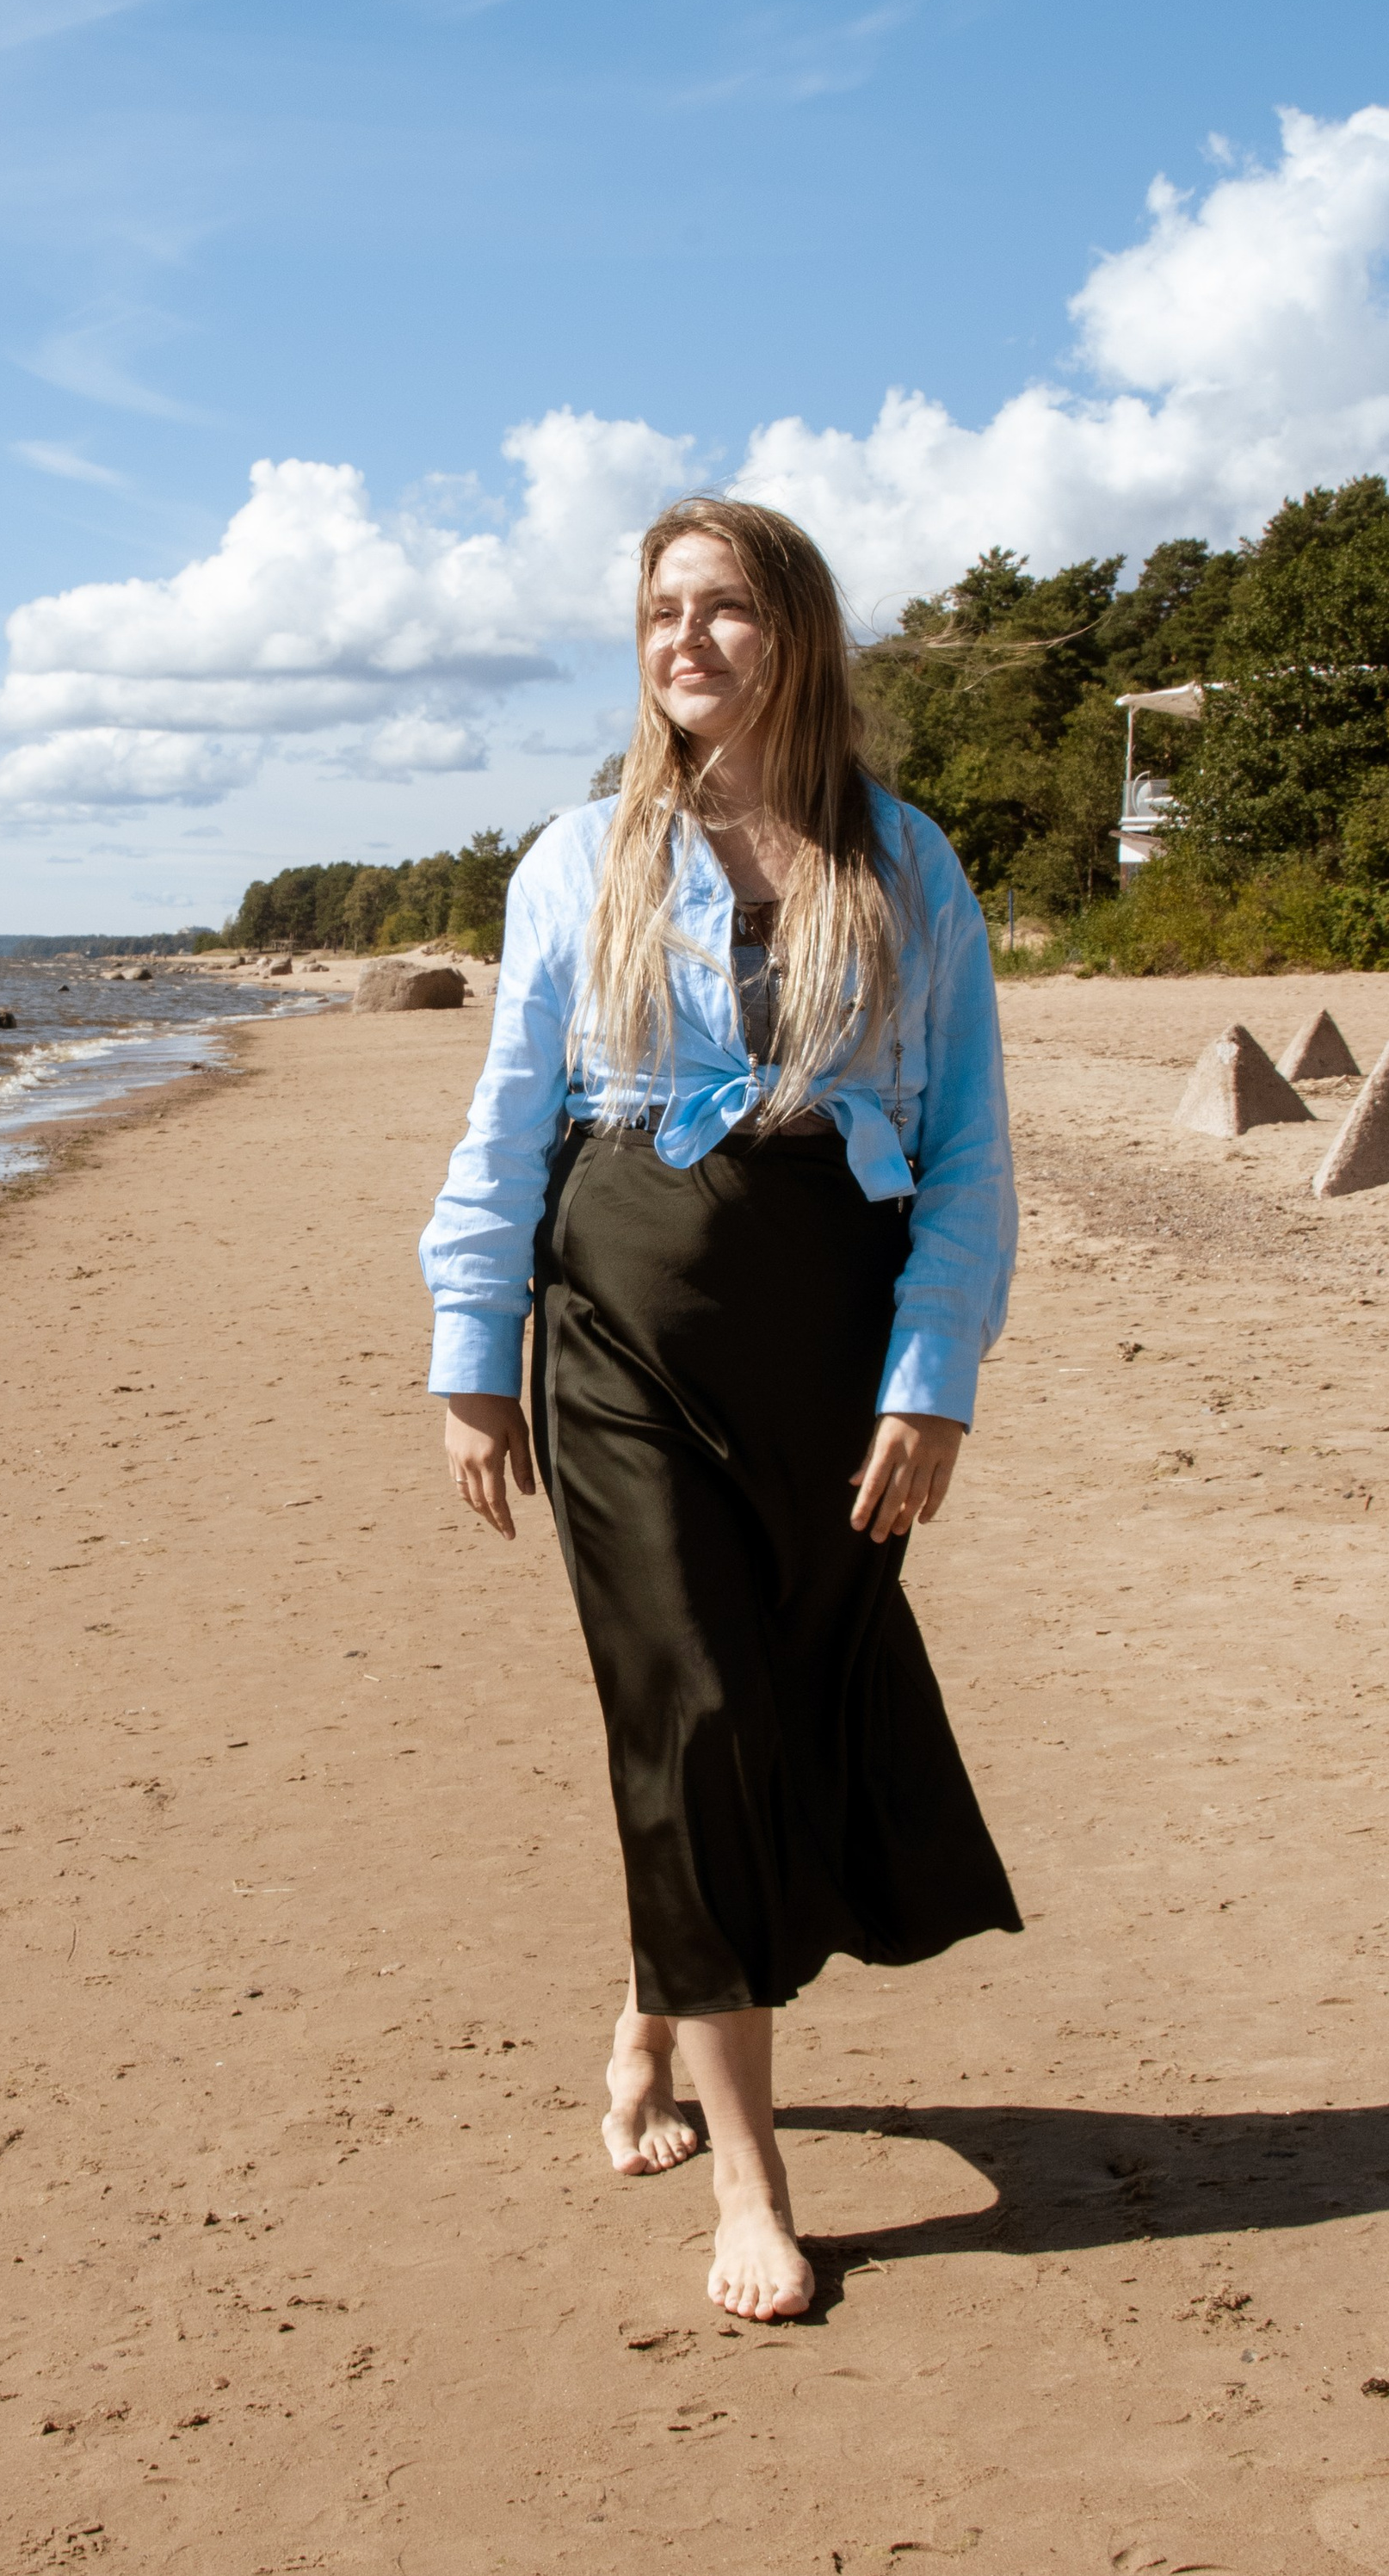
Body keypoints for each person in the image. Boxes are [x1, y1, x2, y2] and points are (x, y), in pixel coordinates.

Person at [418, 497, 1022, 2324]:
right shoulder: (578, 857)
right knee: (688, 1706)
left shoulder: (903, 862)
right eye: (659, 610)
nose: (685, 639)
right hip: (618, 1322)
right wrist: (470, 1348)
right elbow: (508, 1114)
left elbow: (966, 1153)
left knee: (770, 1707)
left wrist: (932, 1382)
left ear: (797, 631)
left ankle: (651, 2004)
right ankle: (753, 2183)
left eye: (726, 607)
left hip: (829, 1334)